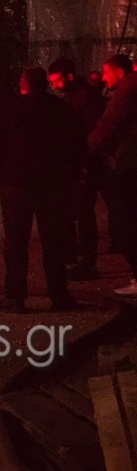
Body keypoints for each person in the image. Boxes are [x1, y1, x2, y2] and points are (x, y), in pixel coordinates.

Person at [0, 67, 86, 313]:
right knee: (54, 242)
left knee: (16, 242)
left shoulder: (9, 110)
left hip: (16, 185)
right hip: (53, 185)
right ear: (46, 84)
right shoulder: (61, 109)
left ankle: (15, 297)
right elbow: (78, 144)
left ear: (23, 85)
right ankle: (59, 296)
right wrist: (70, 175)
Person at [47, 58, 106, 280]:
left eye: (56, 80)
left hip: (84, 163)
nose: (54, 85)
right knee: (74, 211)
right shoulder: (74, 97)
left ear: (69, 77)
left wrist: (83, 161)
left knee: (83, 213)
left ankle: (88, 263)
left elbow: (91, 132)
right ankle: (77, 255)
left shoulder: (86, 98)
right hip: (74, 162)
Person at [88, 54, 137, 296]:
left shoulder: (128, 89)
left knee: (124, 224)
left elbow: (109, 125)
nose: (104, 76)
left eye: (107, 72)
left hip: (129, 165)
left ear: (119, 71)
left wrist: (85, 152)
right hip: (129, 161)